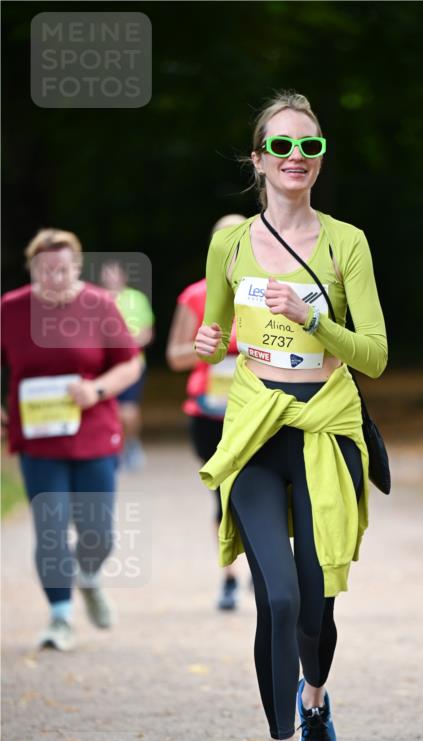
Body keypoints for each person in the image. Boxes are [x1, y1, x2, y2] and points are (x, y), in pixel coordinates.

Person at [194, 91, 387, 741]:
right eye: (281, 146)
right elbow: (213, 333)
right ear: (259, 160)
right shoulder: (230, 241)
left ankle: (313, 698)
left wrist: (314, 316)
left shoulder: (347, 243)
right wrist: (208, 341)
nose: (296, 158)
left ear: (320, 157)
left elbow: (374, 356)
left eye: (309, 146)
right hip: (254, 426)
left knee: (313, 604)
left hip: (325, 425)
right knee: (273, 597)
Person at [1, 229, 142, 650]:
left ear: (77, 267)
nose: (54, 278)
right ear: (32, 269)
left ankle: (89, 576)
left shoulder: (99, 305)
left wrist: (95, 390)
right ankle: (59, 617)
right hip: (39, 440)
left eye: (62, 270)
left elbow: (130, 365)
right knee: (50, 528)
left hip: (94, 432)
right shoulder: (11, 309)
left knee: (98, 533)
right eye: (44, 270)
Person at [166, 214, 246, 610]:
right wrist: (203, 349)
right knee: (223, 497)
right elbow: (174, 357)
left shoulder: (268, 293)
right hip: (208, 413)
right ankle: (230, 576)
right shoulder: (195, 295)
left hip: (258, 411)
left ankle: (260, 566)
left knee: (259, 489)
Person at [100, 261, 154, 471]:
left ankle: (132, 444)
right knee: (109, 412)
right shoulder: (97, 299)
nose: (112, 279)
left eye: (115, 274)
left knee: (128, 411)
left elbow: (147, 333)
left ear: (123, 277)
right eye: (108, 274)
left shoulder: (136, 299)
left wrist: (123, 347)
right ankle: (114, 450)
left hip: (132, 363)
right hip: (105, 367)